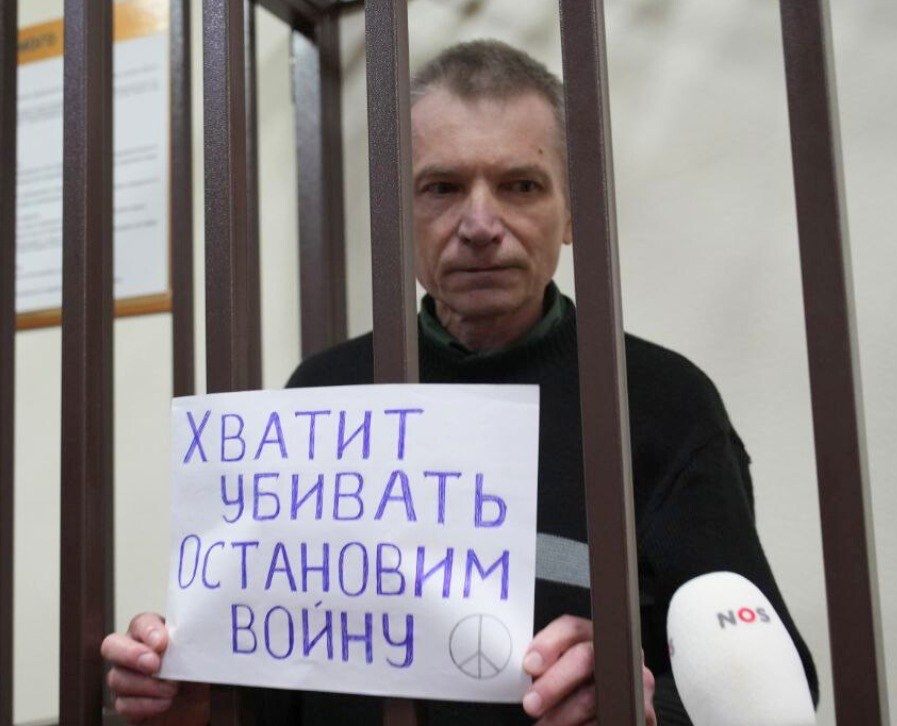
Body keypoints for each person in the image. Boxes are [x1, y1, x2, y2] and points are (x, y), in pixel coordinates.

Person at [101, 39, 817, 725]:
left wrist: (645, 704)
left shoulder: (660, 400)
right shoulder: (324, 393)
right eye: (441, 187)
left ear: (571, 214)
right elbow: (296, 676)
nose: (480, 223)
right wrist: (200, 705)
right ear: (399, 216)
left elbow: (769, 686)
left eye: (521, 185)